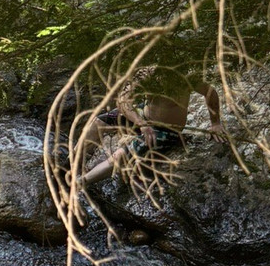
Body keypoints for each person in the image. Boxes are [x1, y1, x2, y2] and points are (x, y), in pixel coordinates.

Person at [77, 65, 225, 187]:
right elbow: (123, 100)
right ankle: (72, 164)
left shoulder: (185, 76)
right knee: (99, 121)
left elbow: (210, 92)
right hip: (143, 118)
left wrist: (216, 123)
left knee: (121, 155)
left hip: (166, 130)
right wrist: (141, 123)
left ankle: (80, 183)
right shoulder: (146, 73)